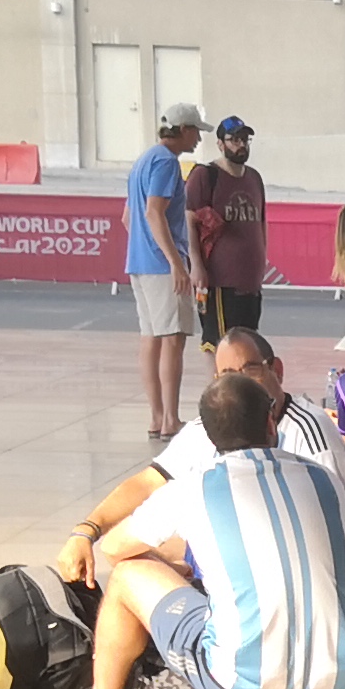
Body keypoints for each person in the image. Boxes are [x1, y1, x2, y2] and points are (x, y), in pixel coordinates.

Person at [69, 369, 345, 689]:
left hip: (242, 684)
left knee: (128, 576)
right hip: (340, 677)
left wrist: (168, 566)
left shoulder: (193, 488)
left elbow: (114, 549)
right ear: (271, 421)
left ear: (208, 437)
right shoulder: (324, 479)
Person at [127, 100, 202, 443]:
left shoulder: (142, 161)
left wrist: (144, 246)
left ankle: (157, 416)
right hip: (161, 265)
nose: (198, 139)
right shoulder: (167, 163)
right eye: (196, 131)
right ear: (183, 130)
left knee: (151, 339)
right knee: (173, 339)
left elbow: (129, 217)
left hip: (139, 262)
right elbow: (154, 212)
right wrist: (175, 262)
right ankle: (171, 418)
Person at [190, 113, 271, 344]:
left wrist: (262, 257)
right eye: (234, 140)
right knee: (220, 343)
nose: (241, 145)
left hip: (249, 280)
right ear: (220, 144)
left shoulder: (254, 178)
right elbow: (190, 221)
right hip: (219, 280)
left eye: (245, 139)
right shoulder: (205, 176)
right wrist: (196, 265)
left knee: (249, 342)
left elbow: (261, 221)